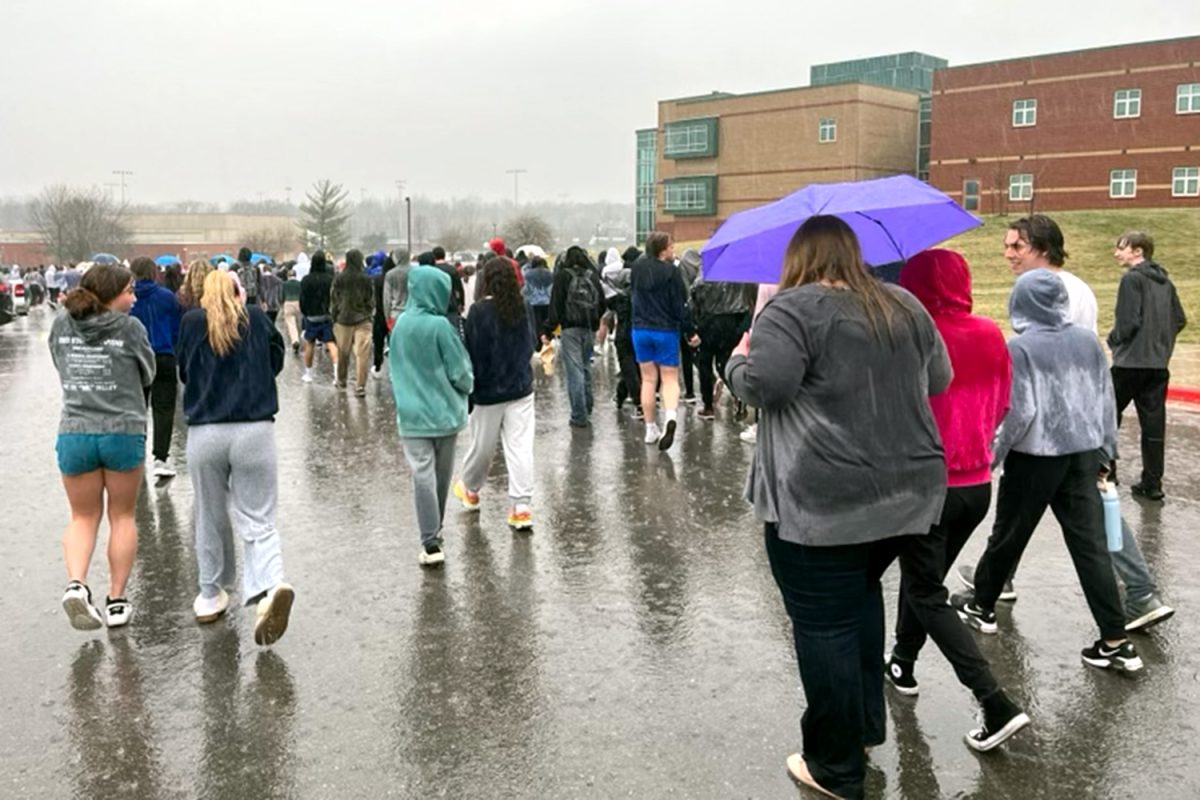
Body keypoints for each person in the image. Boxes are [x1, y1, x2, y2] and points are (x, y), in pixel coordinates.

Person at [726, 216, 969, 797]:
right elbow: (940, 376)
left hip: (821, 504)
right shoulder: (903, 303)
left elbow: (766, 386)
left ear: (797, 257)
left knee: (823, 626)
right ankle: (860, 727)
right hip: (905, 498)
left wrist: (739, 358)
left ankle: (835, 766)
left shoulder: (789, 309)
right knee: (859, 603)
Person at [951, 269, 1144, 675]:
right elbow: (1104, 400)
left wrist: (993, 456)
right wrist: (1107, 450)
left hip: (1037, 456)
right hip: (1083, 453)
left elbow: (1019, 411)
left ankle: (982, 606)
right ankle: (1116, 640)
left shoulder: (1020, 348)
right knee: (1090, 547)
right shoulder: (1087, 341)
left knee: (1009, 533)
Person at [877, 249, 1029, 747]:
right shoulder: (990, 333)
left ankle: (994, 701)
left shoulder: (913, 337)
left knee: (925, 589)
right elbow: (1005, 402)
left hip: (926, 485)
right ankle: (902, 662)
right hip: (976, 484)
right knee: (925, 578)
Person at [176, 270, 293, 645]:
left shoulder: (192, 323)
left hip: (205, 432)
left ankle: (211, 594)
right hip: (254, 429)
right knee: (259, 517)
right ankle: (270, 586)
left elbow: (184, 371)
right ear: (240, 292)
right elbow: (276, 361)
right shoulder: (256, 318)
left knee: (208, 514)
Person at [50, 263, 155, 630]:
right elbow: (149, 372)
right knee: (122, 516)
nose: (134, 296)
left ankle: (77, 584)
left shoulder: (62, 324)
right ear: (112, 294)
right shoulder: (130, 329)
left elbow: (59, 365)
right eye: (129, 290)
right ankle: (116, 600)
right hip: (122, 431)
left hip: (76, 430)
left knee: (82, 517)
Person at [389, 266, 474, 567]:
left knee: (421, 475)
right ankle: (434, 530)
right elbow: (460, 371)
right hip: (445, 414)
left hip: (412, 415)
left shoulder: (399, 326)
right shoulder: (441, 326)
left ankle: (430, 540)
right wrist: (467, 388)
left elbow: (393, 367)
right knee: (440, 476)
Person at [452, 260, 537, 530]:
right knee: (520, 447)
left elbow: (473, 351)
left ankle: (471, 488)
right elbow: (530, 343)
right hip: (521, 387)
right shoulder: (523, 306)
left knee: (482, 446)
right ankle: (521, 506)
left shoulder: (478, 311)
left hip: (488, 391)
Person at [1107, 230, 1187, 501]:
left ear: (1138, 251)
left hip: (1128, 363)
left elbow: (1127, 322)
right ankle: (1152, 483)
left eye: (1122, 247)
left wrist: (1113, 339)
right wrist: (1161, 344)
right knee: (1154, 424)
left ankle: (1106, 472)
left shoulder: (1131, 279)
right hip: (1157, 364)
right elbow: (1179, 319)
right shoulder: (1166, 282)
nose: (1116, 253)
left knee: (1107, 415)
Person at [631, 232, 695, 449]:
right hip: (665, 330)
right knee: (669, 379)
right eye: (670, 247)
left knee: (648, 380)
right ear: (662, 250)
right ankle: (670, 417)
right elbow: (679, 305)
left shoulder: (637, 269)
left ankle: (650, 428)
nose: (673, 250)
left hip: (640, 329)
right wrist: (690, 330)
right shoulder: (672, 272)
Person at [129, 256, 183, 478]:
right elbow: (176, 327)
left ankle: (136, 455)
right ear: (153, 272)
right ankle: (160, 457)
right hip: (163, 354)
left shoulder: (129, 299)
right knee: (164, 407)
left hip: (136, 359)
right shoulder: (166, 296)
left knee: (137, 408)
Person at [1004, 214, 1096, 332]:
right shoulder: (1023, 288)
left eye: (1017, 247)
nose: (1008, 255)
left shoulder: (1074, 290)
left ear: (1044, 249)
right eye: (1006, 247)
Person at [545, 245, 604, 429]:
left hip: (569, 329)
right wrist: (595, 322)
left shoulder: (562, 277)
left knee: (574, 371)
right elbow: (602, 303)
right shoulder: (592, 277)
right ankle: (588, 405)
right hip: (588, 328)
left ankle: (579, 415)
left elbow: (555, 307)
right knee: (585, 366)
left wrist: (547, 330)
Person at [689, 265, 750, 420]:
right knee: (725, 362)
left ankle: (708, 406)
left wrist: (693, 326)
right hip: (729, 323)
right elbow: (743, 304)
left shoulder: (703, 277)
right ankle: (738, 394)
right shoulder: (736, 276)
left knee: (705, 365)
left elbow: (693, 303)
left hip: (707, 323)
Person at [330, 248, 375, 397]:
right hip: (362, 319)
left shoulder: (339, 278)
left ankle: (342, 380)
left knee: (343, 352)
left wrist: (334, 315)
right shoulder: (366, 278)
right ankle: (360, 385)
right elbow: (370, 299)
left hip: (343, 319)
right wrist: (368, 313)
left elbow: (334, 299)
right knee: (362, 354)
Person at [299, 250, 338, 383]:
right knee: (331, 343)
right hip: (327, 315)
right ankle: (337, 373)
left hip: (311, 316)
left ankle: (308, 373)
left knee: (310, 343)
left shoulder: (306, 280)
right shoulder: (329, 280)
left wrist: (305, 313)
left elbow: (302, 299)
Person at [676, 249, 702, 404]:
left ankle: (690, 392)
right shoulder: (703, 272)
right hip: (703, 317)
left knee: (686, 355)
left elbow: (684, 297)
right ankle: (711, 380)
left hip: (685, 318)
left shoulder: (681, 272)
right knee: (699, 353)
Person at [371, 254, 395, 377]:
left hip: (379, 314)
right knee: (394, 343)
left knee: (378, 343)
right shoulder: (395, 280)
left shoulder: (377, 279)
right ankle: (394, 370)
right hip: (393, 315)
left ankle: (377, 366)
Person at [522, 255, 554, 343]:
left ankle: (537, 343)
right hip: (548, 302)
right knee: (547, 324)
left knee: (536, 325)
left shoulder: (528, 275)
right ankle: (547, 342)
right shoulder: (550, 274)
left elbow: (525, 290)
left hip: (533, 303)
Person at [382, 248, 412, 331]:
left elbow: (387, 298)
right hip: (413, 312)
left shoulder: (390, 274)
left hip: (396, 313)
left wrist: (387, 317)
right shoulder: (415, 271)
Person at [281, 266, 303, 354]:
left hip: (288, 302)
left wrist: (282, 304)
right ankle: (303, 340)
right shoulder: (299, 283)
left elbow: (282, 295)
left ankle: (295, 341)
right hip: (299, 302)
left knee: (291, 324)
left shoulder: (284, 284)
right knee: (300, 323)